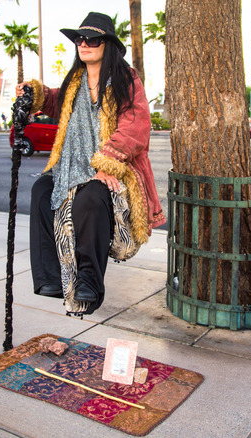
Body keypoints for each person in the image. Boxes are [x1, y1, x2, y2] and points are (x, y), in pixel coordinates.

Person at [16, 12, 165, 315]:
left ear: (107, 44)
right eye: (79, 39)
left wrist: (106, 161)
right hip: (72, 163)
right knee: (42, 190)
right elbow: (57, 102)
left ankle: (89, 284)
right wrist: (35, 94)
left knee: (91, 198)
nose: (83, 44)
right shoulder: (76, 80)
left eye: (92, 39)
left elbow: (136, 125)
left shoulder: (126, 78)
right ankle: (50, 278)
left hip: (116, 166)